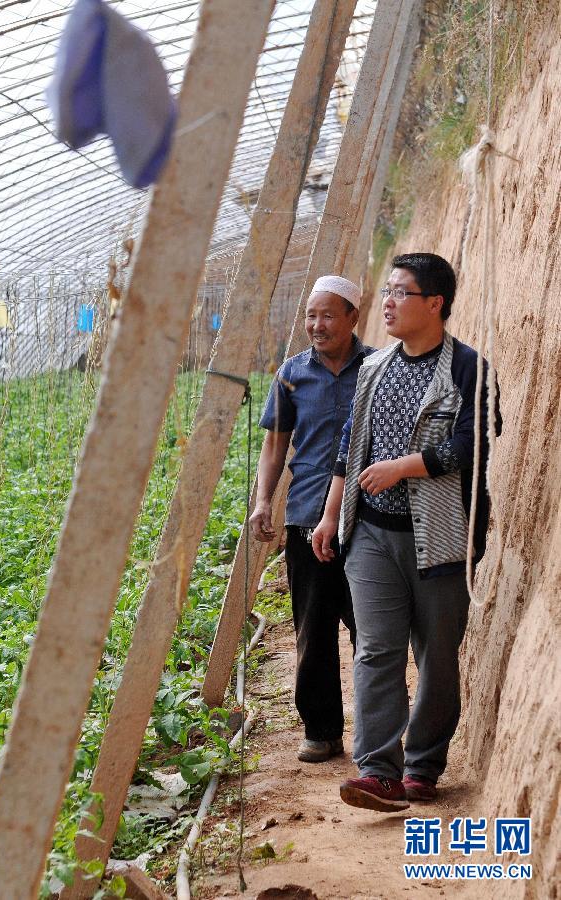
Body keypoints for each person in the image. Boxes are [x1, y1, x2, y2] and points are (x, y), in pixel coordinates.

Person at [312, 253, 502, 811]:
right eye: (388, 291)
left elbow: (474, 442)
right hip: (371, 534)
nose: (388, 303)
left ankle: (423, 765)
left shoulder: (470, 369)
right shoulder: (375, 368)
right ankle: (378, 772)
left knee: (438, 655)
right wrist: (330, 514)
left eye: (401, 292)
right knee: (375, 651)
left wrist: (404, 466)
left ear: (435, 303)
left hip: (443, 540)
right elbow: (352, 444)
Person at [251, 275, 375, 762]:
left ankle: (376, 735)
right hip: (306, 515)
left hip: (369, 517)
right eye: (310, 315)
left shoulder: (378, 369)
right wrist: (264, 501)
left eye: (327, 315)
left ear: (353, 318)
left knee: (371, 629)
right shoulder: (291, 375)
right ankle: (321, 730)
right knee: (314, 627)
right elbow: (275, 444)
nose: (317, 325)